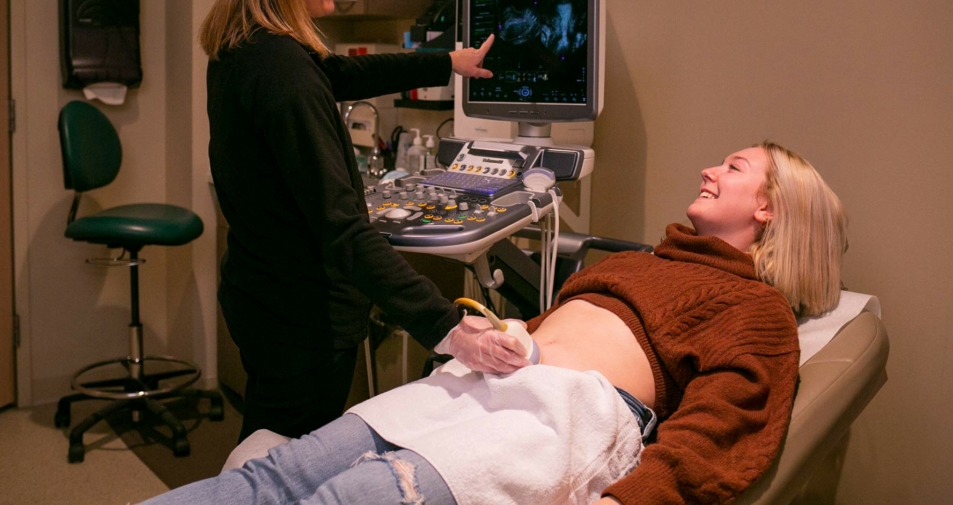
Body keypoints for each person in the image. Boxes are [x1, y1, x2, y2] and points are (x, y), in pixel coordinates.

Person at [141, 141, 847, 505]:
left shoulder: (757, 311)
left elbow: (716, 434)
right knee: (276, 474)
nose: (709, 168)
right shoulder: (641, 262)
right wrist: (499, 335)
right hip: (467, 385)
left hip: (554, 413)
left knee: (344, 497)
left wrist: (631, 501)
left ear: (771, 210)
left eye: (734, 165)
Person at [203, 0, 496, 443]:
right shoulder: (283, 73)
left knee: (265, 449)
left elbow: (340, 75)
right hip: (302, 320)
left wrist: (446, 62)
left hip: (260, 298)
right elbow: (343, 232)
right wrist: (448, 328)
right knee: (285, 468)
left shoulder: (245, 49)